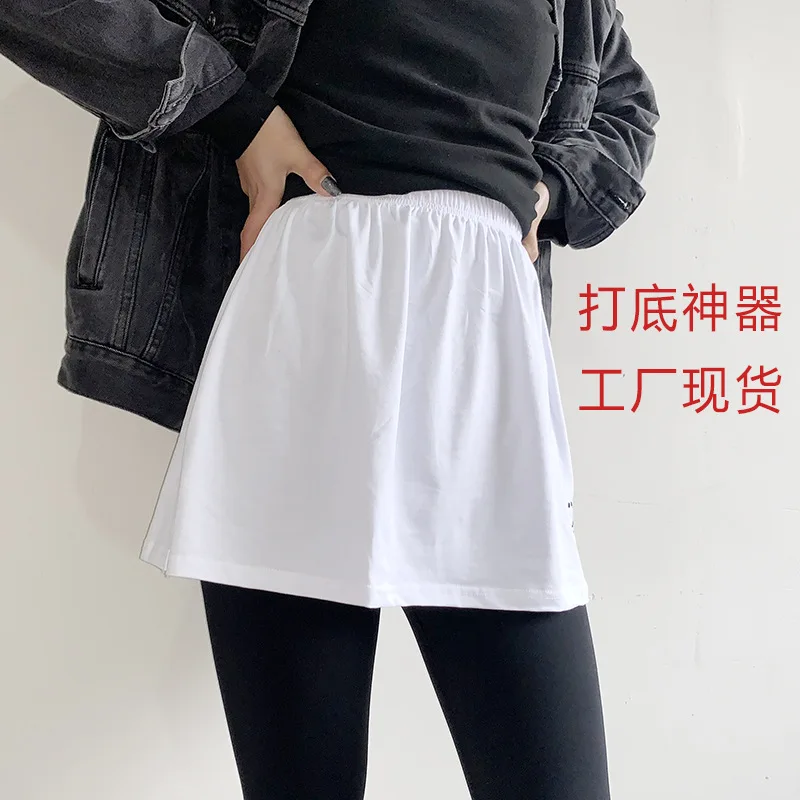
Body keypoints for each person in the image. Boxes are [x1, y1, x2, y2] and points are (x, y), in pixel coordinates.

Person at [1, 1, 658, 797]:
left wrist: (549, 192)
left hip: (481, 343)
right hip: (303, 316)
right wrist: (233, 114)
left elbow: (625, 106)